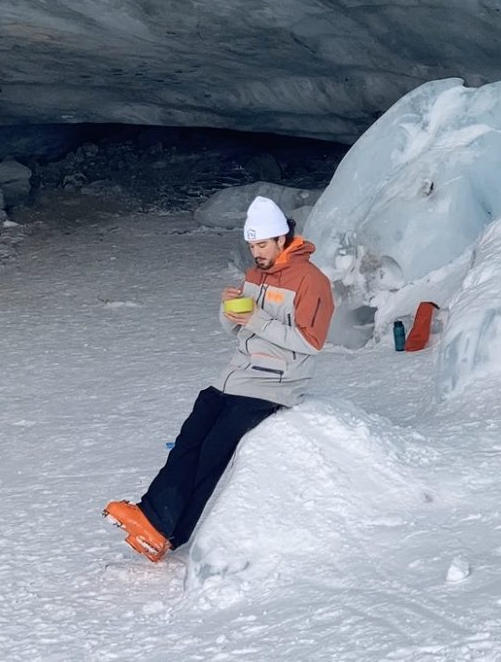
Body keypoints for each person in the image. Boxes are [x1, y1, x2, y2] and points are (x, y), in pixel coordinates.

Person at [104, 196, 334, 562]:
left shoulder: (312, 281)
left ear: (281, 239)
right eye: (251, 245)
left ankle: (166, 529)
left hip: (275, 383)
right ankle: (153, 521)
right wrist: (229, 308)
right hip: (236, 376)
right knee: (190, 438)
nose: (255, 253)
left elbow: (311, 341)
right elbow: (234, 329)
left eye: (261, 245)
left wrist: (256, 318)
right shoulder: (255, 275)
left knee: (213, 450)